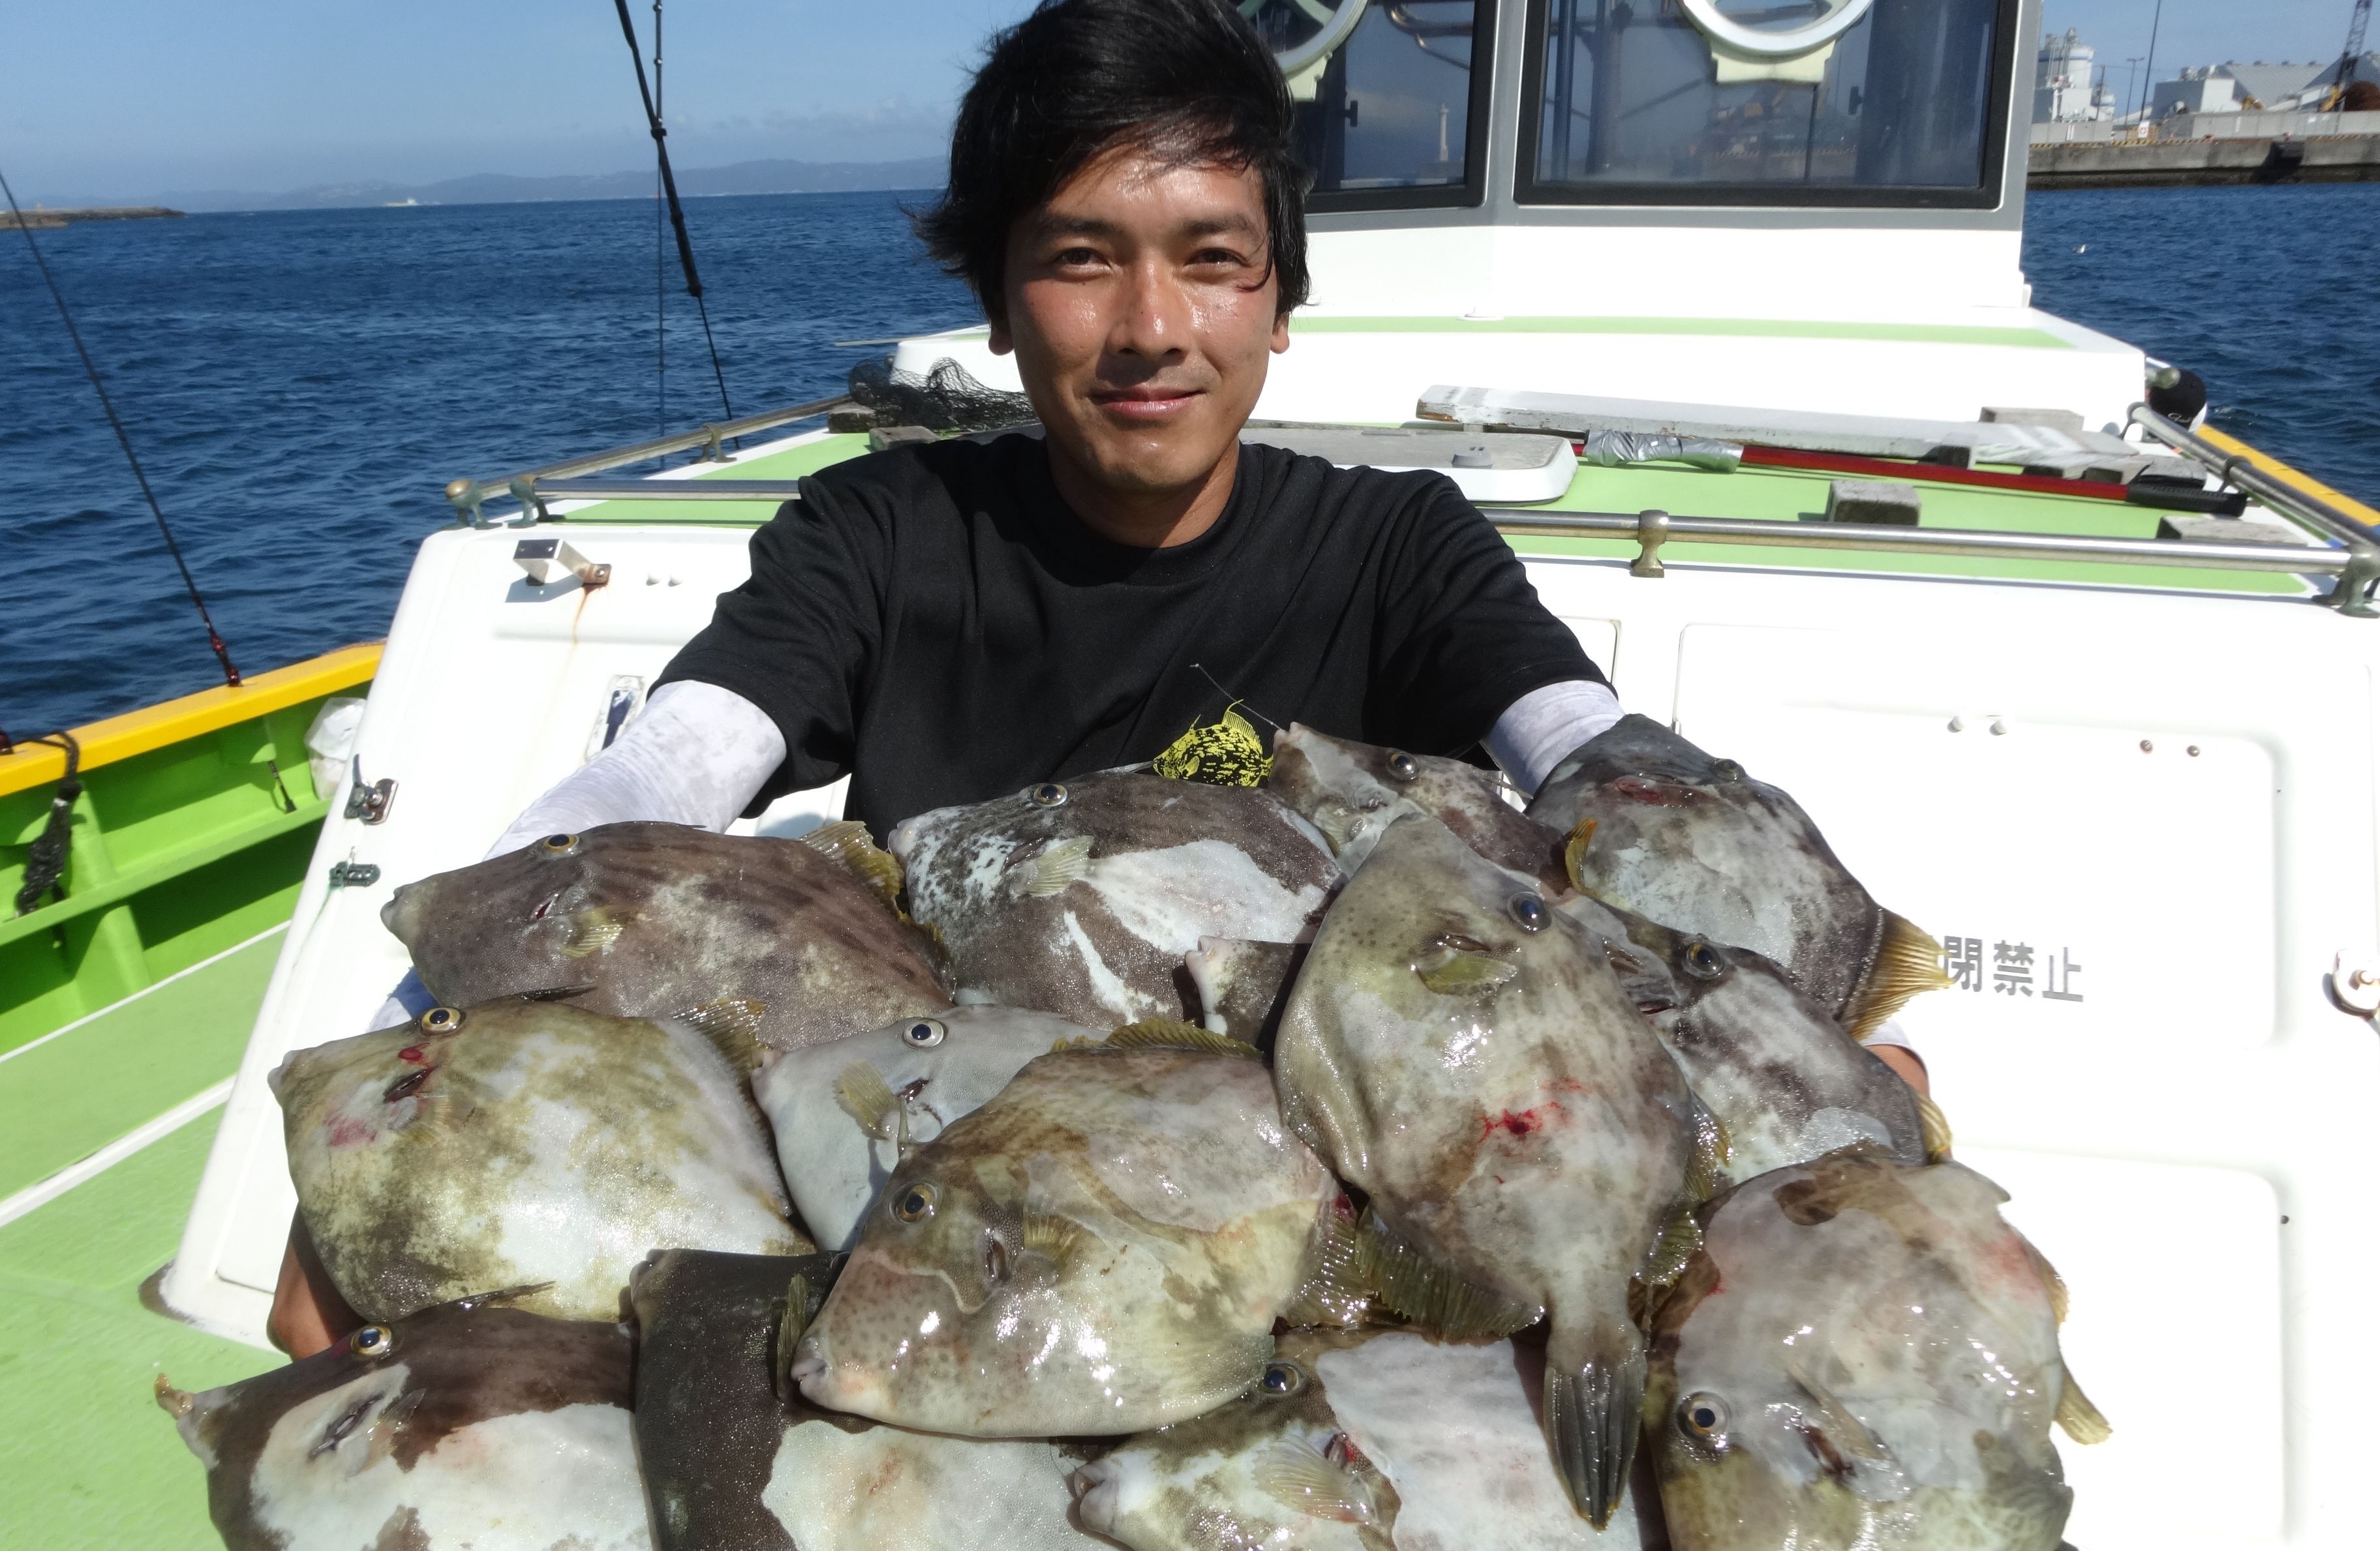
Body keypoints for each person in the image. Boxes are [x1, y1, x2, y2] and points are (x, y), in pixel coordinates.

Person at [266, 0, 1920, 1356]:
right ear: (998, 301)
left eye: (1212, 258)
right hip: (949, 1215)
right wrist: (436, 1037)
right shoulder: (879, 536)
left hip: (1319, 1230)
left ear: (1280, 301)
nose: (1151, 327)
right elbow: (667, 774)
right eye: (1079, 257)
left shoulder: (1398, 546)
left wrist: (1800, 1035)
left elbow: (1595, 757)